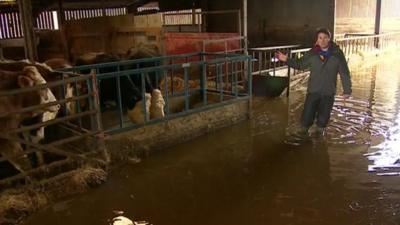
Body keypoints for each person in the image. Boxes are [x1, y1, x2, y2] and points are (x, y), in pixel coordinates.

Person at [276, 28, 352, 136]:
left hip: (328, 92)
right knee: (306, 117)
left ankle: (319, 135)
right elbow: (300, 64)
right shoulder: (312, 53)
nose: (323, 40)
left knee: (323, 120)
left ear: (329, 39)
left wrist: (347, 90)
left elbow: (344, 72)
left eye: (325, 38)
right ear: (317, 40)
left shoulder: (337, 54)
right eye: (320, 38)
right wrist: (286, 59)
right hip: (313, 90)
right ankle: (303, 135)